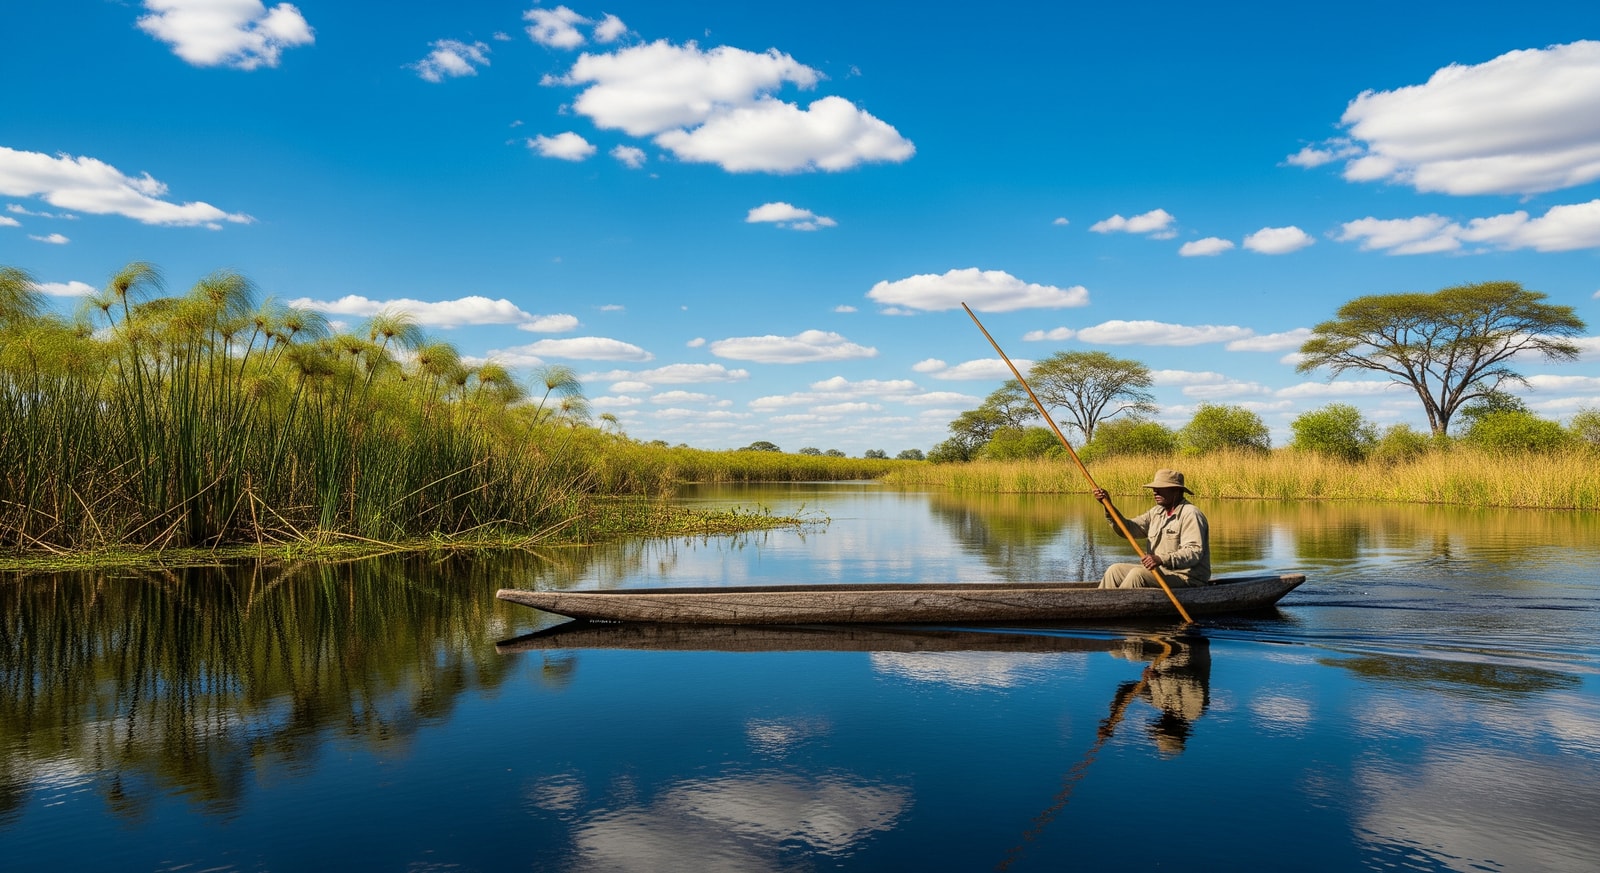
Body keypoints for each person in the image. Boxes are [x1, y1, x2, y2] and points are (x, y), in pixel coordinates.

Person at [1092, 469, 1210, 589]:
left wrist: (1161, 559)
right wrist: (1108, 506)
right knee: (1115, 571)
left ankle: (1118, 606)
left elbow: (1194, 552)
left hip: (1187, 578)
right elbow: (1128, 529)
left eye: (1160, 488)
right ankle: (1098, 605)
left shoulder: (1191, 514)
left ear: (1176, 490)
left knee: (1138, 575)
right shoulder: (1156, 512)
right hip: (1159, 572)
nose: (1155, 491)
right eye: (1154, 488)